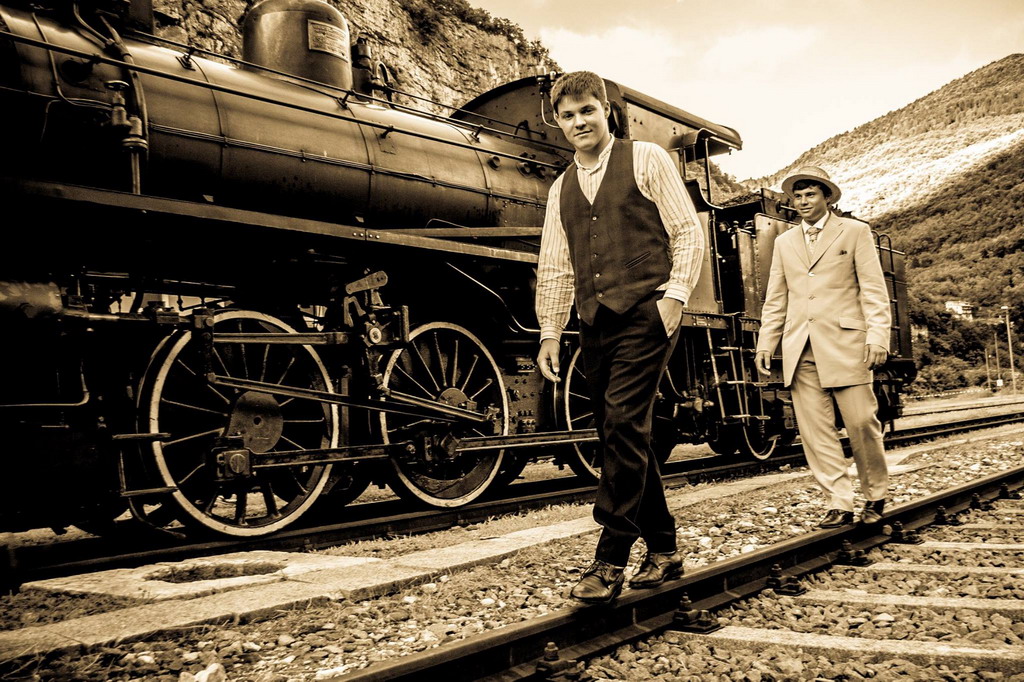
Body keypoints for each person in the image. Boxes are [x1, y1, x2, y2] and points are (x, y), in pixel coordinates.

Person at [534, 71, 704, 604]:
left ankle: (609, 559)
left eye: (587, 110)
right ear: (557, 123)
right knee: (620, 433)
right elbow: (556, 265)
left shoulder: (646, 158)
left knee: (624, 424)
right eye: (568, 115)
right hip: (594, 321)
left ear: (605, 110)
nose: (579, 122)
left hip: (647, 310)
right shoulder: (561, 188)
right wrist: (550, 331)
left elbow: (687, 230)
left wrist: (674, 298)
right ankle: (665, 549)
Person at [755, 166, 891, 528]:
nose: (802, 202)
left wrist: (878, 336)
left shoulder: (855, 232)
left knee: (861, 423)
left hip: (847, 344)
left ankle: (875, 494)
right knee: (816, 433)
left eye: (810, 194)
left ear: (827, 197)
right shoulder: (784, 242)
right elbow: (776, 297)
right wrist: (766, 341)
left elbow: (874, 290)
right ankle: (839, 502)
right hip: (800, 347)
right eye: (797, 196)